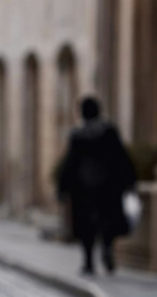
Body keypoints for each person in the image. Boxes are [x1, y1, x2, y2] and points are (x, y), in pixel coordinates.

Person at [57, 97, 136, 276]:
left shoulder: (78, 134)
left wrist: (62, 187)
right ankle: (107, 249)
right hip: (109, 185)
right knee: (108, 221)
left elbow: (69, 163)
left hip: (83, 187)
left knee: (86, 225)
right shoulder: (109, 131)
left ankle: (89, 262)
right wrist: (129, 181)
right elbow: (121, 157)